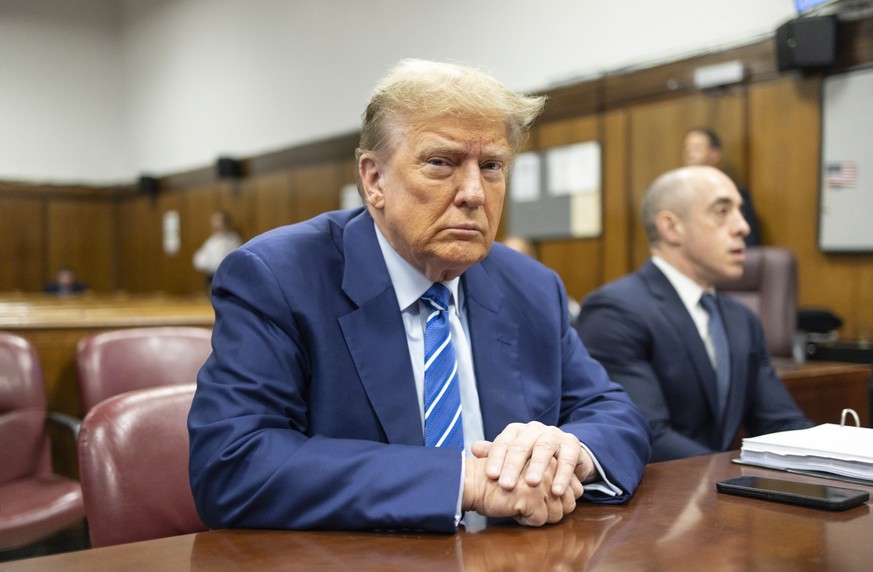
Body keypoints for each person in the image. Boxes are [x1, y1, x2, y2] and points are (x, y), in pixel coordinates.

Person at [188, 59, 650, 533]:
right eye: (441, 163)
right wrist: (463, 480)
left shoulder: (530, 286)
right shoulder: (279, 278)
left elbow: (614, 415)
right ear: (374, 181)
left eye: (491, 166)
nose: (473, 192)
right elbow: (233, 465)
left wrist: (567, 454)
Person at [575, 166, 812, 463]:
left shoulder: (742, 319)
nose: (743, 227)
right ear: (671, 228)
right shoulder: (615, 311)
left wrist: (839, 461)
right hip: (657, 499)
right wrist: (737, 479)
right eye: (722, 211)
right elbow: (647, 435)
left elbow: (780, 424)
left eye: (739, 211)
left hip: (719, 492)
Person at [682, 127, 761, 246]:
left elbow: (749, 241)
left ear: (714, 155)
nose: (689, 154)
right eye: (687, 149)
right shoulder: (680, 195)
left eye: (696, 148)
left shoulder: (735, 195)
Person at [192, 210, 242, 283]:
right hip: (211, 277)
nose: (216, 224)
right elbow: (199, 261)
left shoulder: (234, 240)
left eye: (218, 221)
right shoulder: (211, 241)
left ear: (226, 223)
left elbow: (226, 262)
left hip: (227, 278)